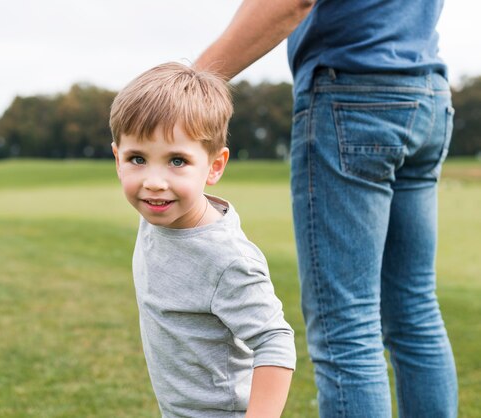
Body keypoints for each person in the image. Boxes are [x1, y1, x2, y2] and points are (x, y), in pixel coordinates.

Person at [194, 0, 459, 417]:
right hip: (426, 92)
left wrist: (192, 82)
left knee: (347, 329)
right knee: (415, 313)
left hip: (353, 93)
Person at [109, 62, 296, 417]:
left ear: (214, 166)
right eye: (138, 159)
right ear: (118, 159)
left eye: (177, 160)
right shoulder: (155, 214)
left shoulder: (228, 260)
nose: (154, 181)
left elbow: (275, 341)